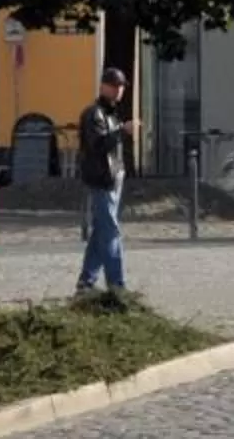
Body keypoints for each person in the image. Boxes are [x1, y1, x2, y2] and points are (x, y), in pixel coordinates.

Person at [75, 65, 136, 298]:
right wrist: (122, 131)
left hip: (112, 179)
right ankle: (116, 285)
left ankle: (86, 281)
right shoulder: (94, 114)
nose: (118, 90)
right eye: (114, 86)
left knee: (101, 230)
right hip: (101, 179)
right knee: (110, 232)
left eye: (121, 86)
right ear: (103, 86)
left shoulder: (110, 114)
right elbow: (98, 144)